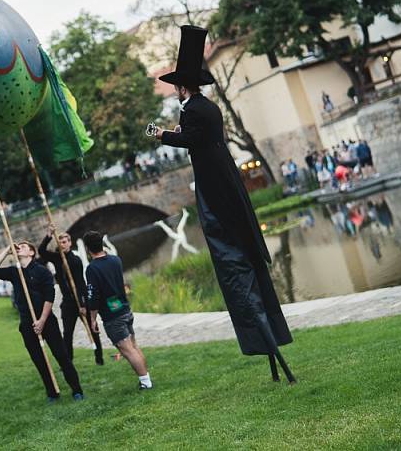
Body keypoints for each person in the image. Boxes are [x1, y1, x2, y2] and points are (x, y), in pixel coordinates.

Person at [153, 25, 295, 384]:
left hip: (217, 191)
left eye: (175, 87)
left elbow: (189, 139)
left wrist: (162, 135)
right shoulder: (205, 107)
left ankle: (269, 350)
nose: (174, 92)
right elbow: (195, 139)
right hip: (223, 185)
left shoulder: (195, 110)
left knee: (236, 267)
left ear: (182, 87)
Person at [0, 241, 84, 402]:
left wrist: (42, 320)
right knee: (39, 361)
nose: (20, 248)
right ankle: (52, 393)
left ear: (32, 253)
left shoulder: (42, 271)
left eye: (24, 246)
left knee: (62, 356)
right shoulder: (14, 272)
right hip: (27, 323)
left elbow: (49, 297)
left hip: (46, 321)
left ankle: (77, 390)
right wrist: (7, 250)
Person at [84, 231, 152, 391]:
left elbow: (93, 295)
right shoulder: (116, 260)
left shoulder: (92, 268)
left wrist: (93, 318)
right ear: (102, 244)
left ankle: (146, 382)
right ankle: (145, 378)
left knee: (127, 350)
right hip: (125, 308)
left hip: (112, 315)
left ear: (87, 248)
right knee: (133, 346)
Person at [38, 224, 104, 365]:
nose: (63, 244)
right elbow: (41, 251)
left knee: (93, 329)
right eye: (60, 242)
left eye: (65, 241)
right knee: (67, 333)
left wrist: (82, 304)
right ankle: (69, 361)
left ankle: (99, 358)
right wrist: (49, 235)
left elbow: (80, 284)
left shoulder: (76, 260)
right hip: (68, 303)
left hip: (81, 300)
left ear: (70, 243)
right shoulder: (57, 258)